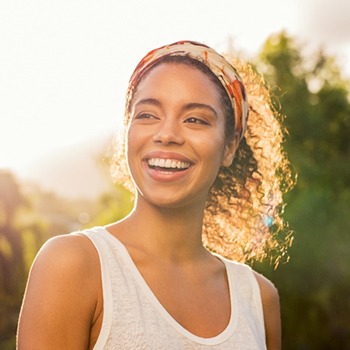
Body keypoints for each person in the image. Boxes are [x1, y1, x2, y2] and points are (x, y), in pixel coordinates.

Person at [17, 40, 294, 349]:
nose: (167, 135)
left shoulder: (258, 298)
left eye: (195, 119)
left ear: (229, 146)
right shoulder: (73, 265)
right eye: (148, 115)